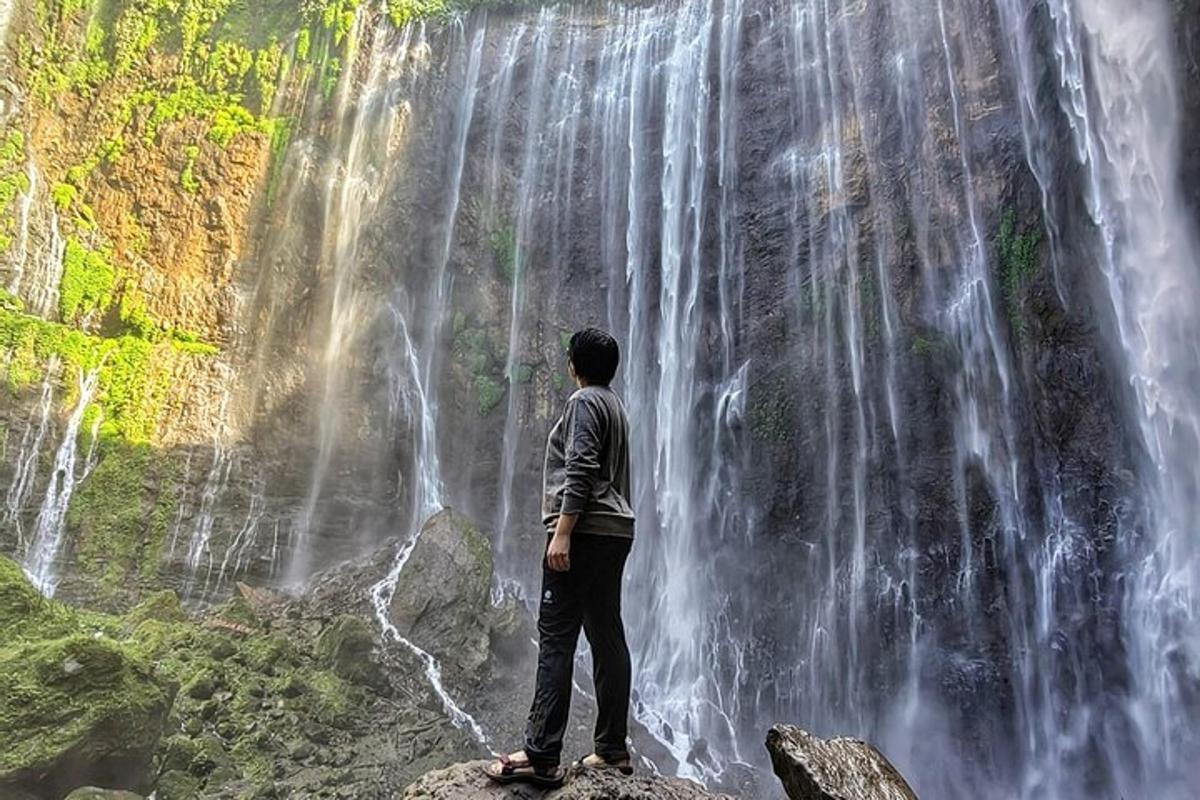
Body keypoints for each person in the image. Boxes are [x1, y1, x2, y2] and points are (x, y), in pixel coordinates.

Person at [484, 327, 636, 788]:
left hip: (584, 532)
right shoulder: (615, 405)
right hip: (613, 531)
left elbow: (582, 466)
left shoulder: (584, 403)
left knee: (556, 638)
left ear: (575, 365)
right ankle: (611, 749)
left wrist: (563, 533)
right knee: (607, 637)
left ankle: (541, 754)